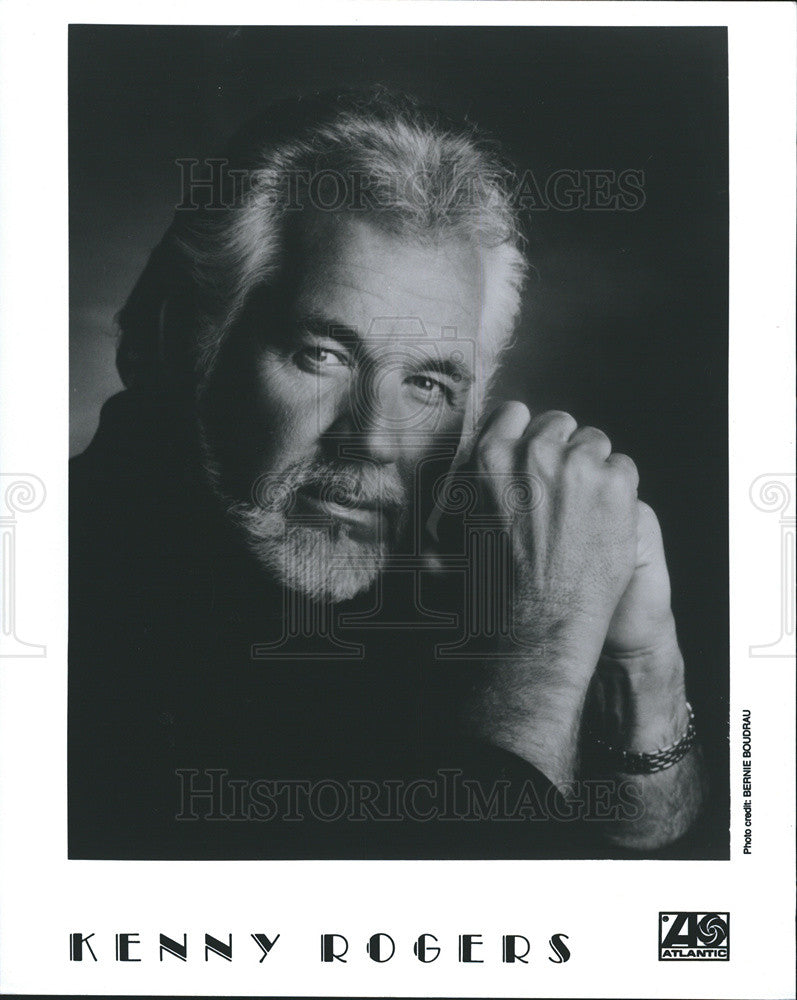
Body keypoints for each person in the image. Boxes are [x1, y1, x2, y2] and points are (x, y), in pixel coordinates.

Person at [69, 88, 705, 859]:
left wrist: (640, 665)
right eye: (323, 355)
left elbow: (649, 862)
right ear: (181, 339)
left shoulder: (455, 583)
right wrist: (545, 646)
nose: (372, 440)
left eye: (429, 385)